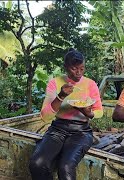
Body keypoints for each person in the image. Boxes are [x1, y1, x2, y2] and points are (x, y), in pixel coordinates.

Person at [29, 48, 103, 180]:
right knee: (37, 164)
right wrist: (61, 96)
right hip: (57, 129)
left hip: (81, 131)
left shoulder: (90, 84)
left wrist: (88, 113)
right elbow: (45, 116)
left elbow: (99, 112)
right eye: (74, 69)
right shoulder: (55, 83)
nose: (79, 73)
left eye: (82, 68)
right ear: (66, 67)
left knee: (66, 167)